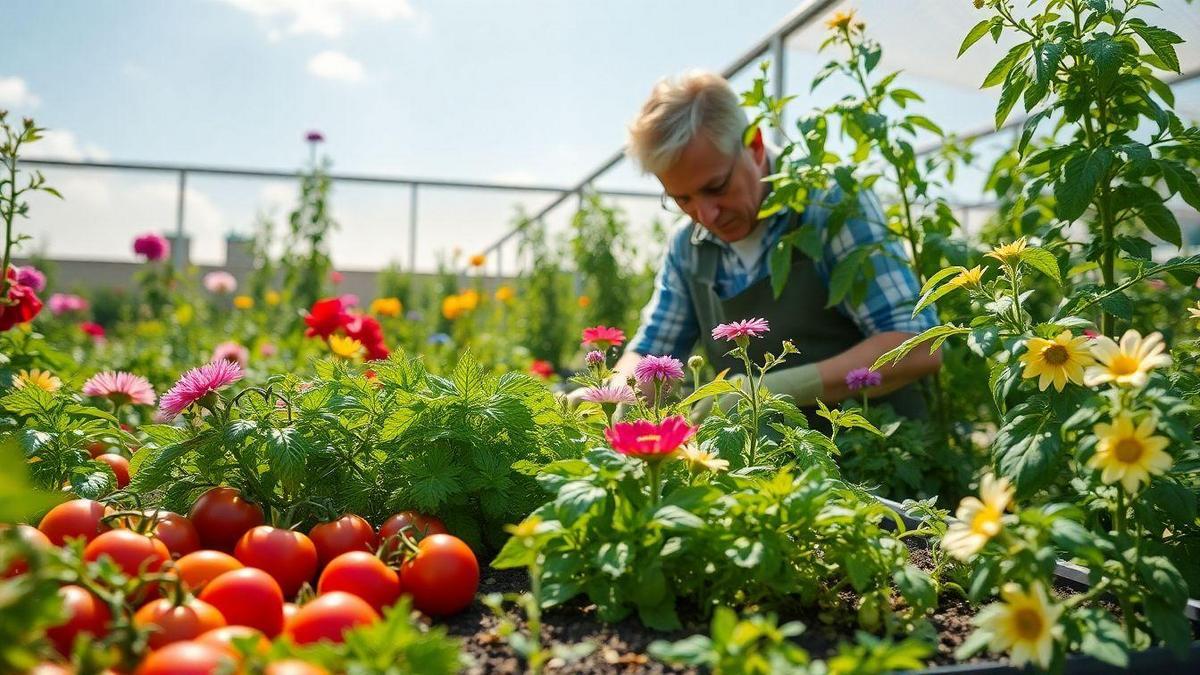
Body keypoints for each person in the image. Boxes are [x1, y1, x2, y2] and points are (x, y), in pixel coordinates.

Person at [574, 70, 940, 420]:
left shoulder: (830, 206)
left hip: (873, 458)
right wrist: (613, 393)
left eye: (716, 187)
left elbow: (917, 345)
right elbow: (655, 349)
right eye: (681, 199)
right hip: (764, 467)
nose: (706, 215)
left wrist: (774, 389)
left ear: (755, 146)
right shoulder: (689, 246)